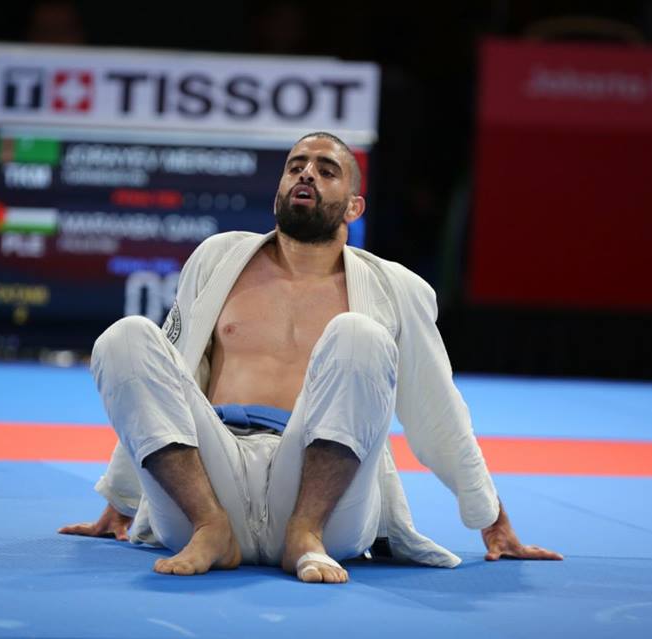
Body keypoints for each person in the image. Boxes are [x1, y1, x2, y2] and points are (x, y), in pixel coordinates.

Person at [60, 132, 562, 583]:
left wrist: (490, 517)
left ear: (354, 207)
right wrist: (123, 499)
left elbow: (437, 409)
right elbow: (166, 374)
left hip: (324, 496)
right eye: (296, 166)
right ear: (278, 190)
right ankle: (212, 529)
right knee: (126, 337)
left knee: (357, 334)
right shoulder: (218, 259)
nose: (307, 174)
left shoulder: (394, 288)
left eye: (326, 170)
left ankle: (305, 532)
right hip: (207, 485)